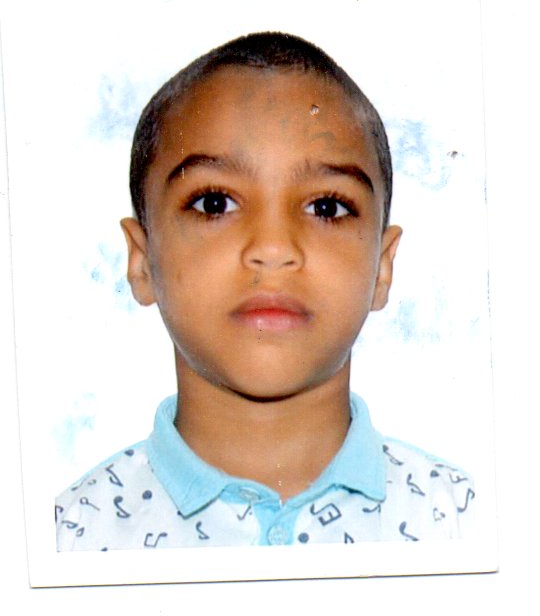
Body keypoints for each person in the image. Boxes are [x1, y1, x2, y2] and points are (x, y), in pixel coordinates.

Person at [55, 32, 475, 551]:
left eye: (326, 207)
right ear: (141, 261)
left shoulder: (469, 529)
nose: (273, 249)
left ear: (382, 269)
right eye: (214, 203)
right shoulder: (64, 542)